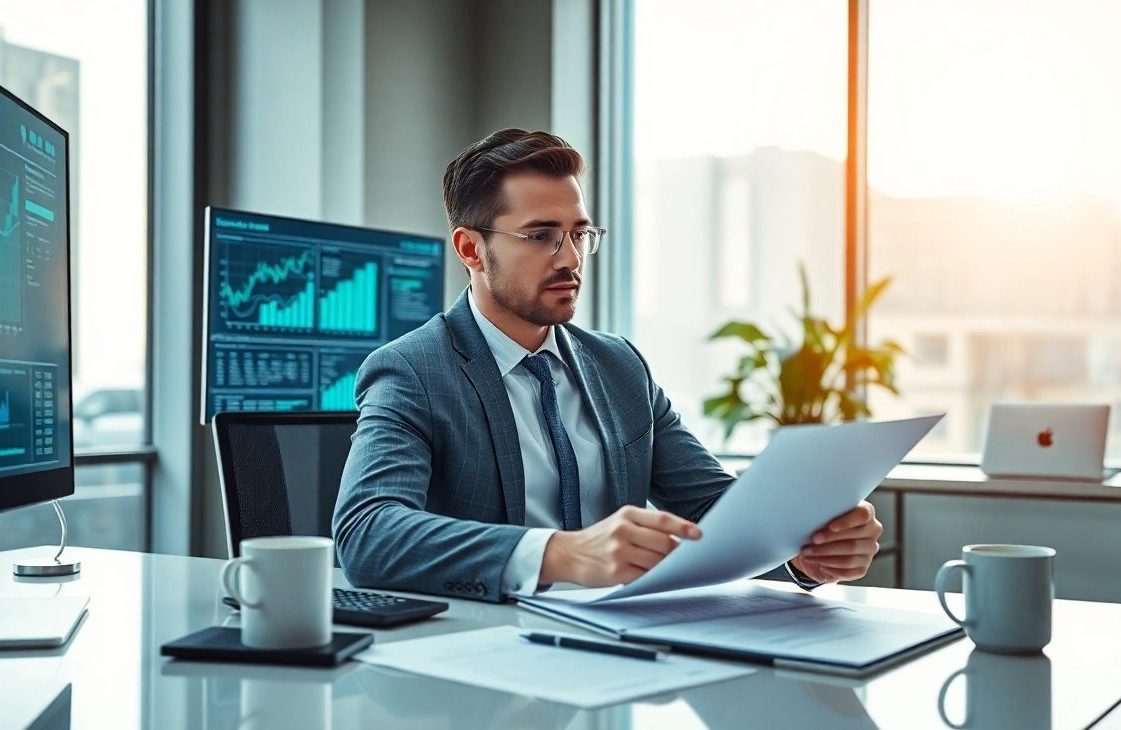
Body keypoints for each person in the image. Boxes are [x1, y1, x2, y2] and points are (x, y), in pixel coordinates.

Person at [333, 128, 882, 602]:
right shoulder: (412, 371)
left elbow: (711, 507)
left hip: (623, 644)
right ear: (471, 249)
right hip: (488, 657)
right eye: (541, 236)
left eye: (578, 234)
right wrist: (562, 554)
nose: (570, 258)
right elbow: (368, 533)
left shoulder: (618, 365)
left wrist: (800, 551)